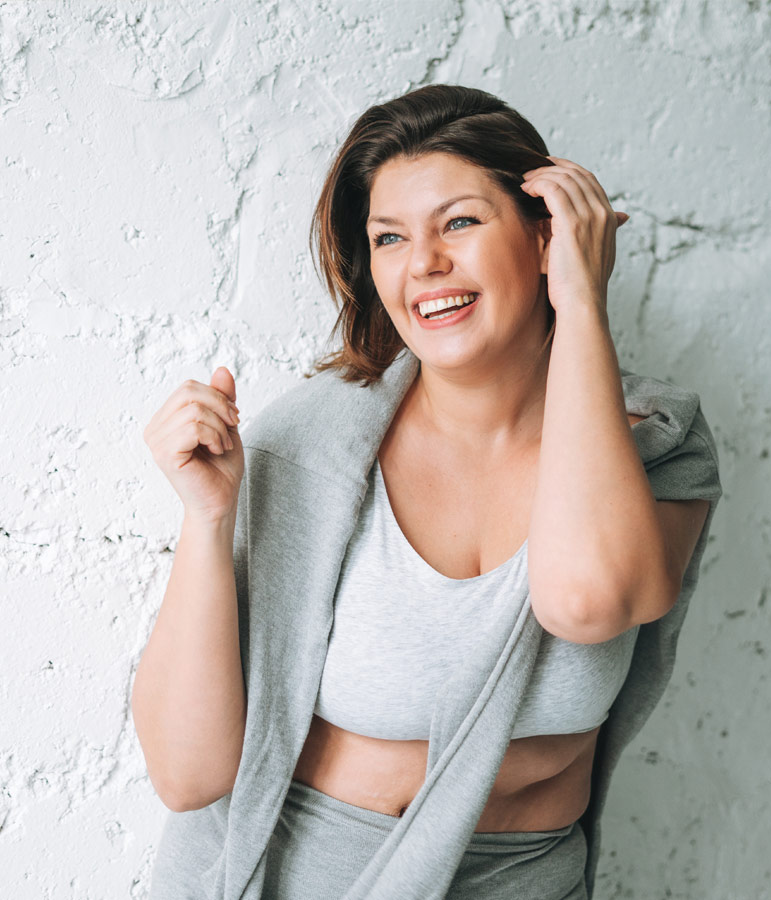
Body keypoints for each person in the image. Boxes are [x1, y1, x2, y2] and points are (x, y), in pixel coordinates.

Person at [134, 84, 723, 900]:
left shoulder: (656, 445)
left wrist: (583, 301)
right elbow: (186, 774)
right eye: (389, 237)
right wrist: (207, 519)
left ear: (546, 235)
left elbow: (588, 601)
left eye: (460, 222)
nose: (423, 264)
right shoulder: (311, 444)